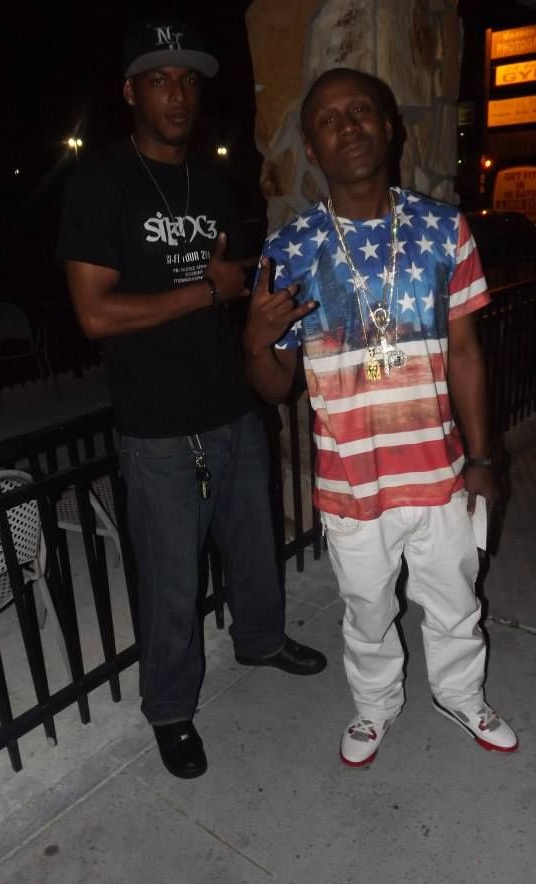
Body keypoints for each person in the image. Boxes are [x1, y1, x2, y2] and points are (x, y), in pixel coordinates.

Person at [58, 18, 326, 780]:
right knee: (173, 581)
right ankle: (170, 708)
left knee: (254, 550)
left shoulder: (210, 182)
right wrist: (206, 291)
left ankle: (260, 640)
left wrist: (256, 322)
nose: (177, 95)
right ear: (130, 92)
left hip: (232, 405)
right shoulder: (99, 183)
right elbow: (94, 314)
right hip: (158, 425)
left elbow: (231, 294)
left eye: (187, 80)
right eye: (159, 80)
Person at [245, 67, 518, 767]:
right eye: (328, 120)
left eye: (360, 111)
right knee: (367, 611)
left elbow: (465, 353)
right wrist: (255, 341)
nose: (348, 127)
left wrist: (483, 459)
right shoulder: (290, 251)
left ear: (389, 126)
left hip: (438, 471)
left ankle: (460, 693)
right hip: (351, 481)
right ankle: (375, 705)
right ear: (312, 149)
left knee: (455, 600)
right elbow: (274, 389)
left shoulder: (444, 229)